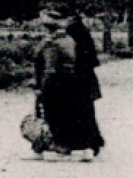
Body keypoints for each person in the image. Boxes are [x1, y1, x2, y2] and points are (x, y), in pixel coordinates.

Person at [32, 10, 105, 157]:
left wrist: (42, 87)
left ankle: (59, 144)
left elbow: (50, 68)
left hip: (69, 82)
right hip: (77, 80)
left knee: (63, 113)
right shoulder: (71, 36)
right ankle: (87, 143)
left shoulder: (56, 41)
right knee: (80, 113)